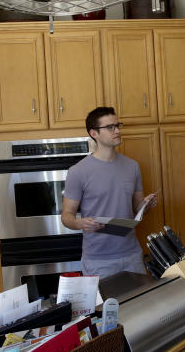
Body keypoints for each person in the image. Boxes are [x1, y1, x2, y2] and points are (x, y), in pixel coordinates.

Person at [61, 107, 157, 276]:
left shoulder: (132, 166)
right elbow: (66, 216)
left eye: (117, 125)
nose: (118, 131)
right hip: (97, 260)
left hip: (132, 255)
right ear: (94, 133)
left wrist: (147, 205)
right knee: (103, 304)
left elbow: (137, 208)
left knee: (138, 303)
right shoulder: (78, 171)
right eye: (110, 127)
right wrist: (79, 223)